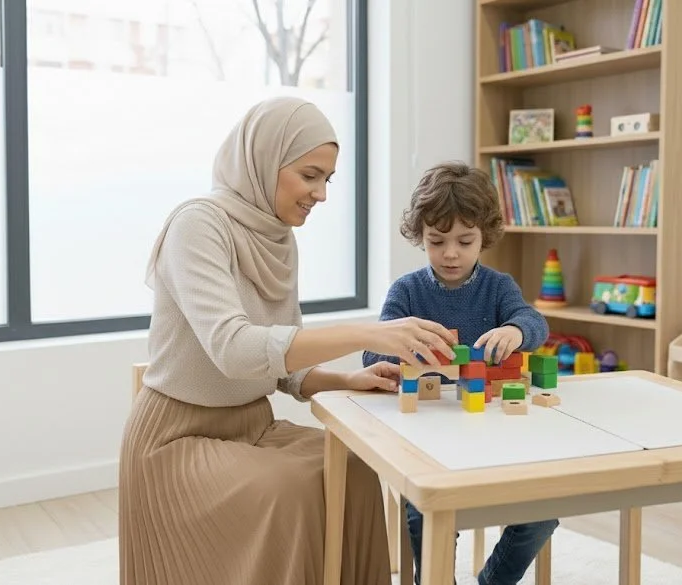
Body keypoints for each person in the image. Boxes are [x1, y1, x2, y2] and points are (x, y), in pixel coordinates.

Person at [118, 96, 458, 585]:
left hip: (255, 426)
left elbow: (278, 361)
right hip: (178, 441)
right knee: (288, 490)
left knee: (358, 472)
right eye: (309, 174)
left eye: (327, 179)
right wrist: (369, 332)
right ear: (263, 161)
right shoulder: (197, 225)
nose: (321, 194)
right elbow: (235, 349)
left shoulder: (279, 236)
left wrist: (348, 378)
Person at [362, 161, 558, 585]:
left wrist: (514, 329)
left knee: (545, 506)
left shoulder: (499, 287)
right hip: (429, 435)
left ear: (484, 236)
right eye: (437, 241)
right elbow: (369, 356)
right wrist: (403, 347)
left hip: (494, 430)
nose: (451, 253)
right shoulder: (407, 291)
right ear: (421, 238)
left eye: (464, 241)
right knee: (424, 511)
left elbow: (535, 324)